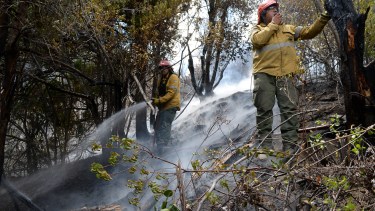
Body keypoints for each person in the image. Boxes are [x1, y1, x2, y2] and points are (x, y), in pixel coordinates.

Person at [250, 0, 331, 155]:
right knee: (264, 110)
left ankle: (289, 148)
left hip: (286, 75)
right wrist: (273, 25)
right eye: (271, 9)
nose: (275, 11)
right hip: (264, 75)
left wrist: (324, 17)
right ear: (263, 14)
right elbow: (258, 41)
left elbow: (310, 32)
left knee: (289, 110)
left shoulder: (289, 29)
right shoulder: (257, 29)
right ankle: (265, 149)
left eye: (276, 9)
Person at [152, 59, 181, 154]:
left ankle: (163, 147)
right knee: (157, 126)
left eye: (165, 67)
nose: (163, 69)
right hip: (163, 107)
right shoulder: (161, 79)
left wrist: (159, 100)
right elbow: (158, 92)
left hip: (171, 106)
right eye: (161, 67)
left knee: (164, 125)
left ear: (169, 68)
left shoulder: (173, 77)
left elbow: (171, 93)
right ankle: (159, 146)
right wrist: (155, 100)